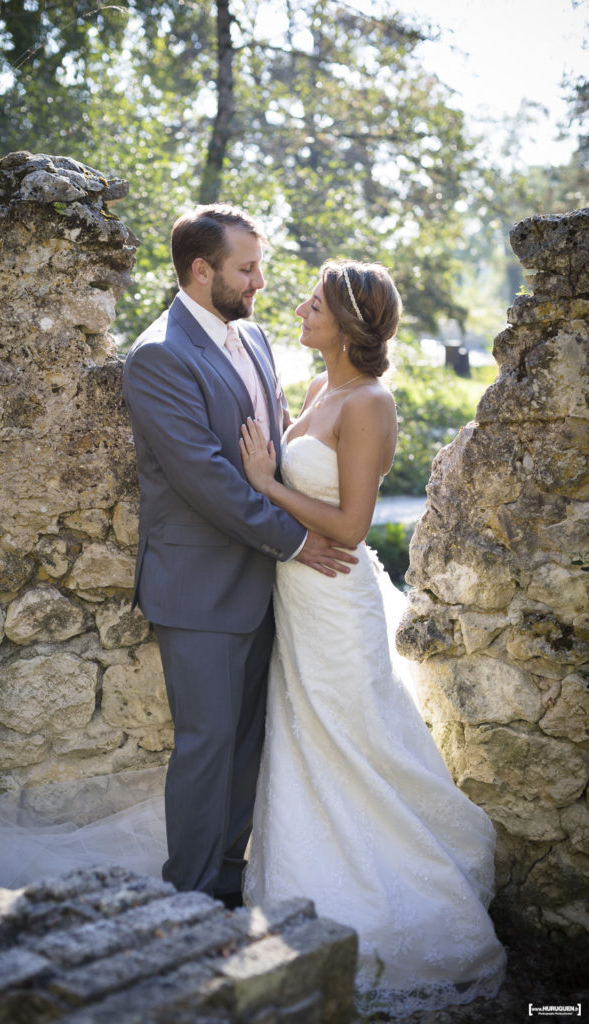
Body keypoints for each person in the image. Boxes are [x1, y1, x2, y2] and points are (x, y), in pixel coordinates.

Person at [238, 259, 507, 1015]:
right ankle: (300, 873)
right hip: (297, 593)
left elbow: (353, 526)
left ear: (349, 322)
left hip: (333, 595)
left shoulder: (370, 404)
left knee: (347, 734)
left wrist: (267, 485)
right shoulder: (323, 388)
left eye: (313, 302)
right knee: (303, 733)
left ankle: (390, 893)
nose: (298, 307)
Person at [121, 204, 355, 909]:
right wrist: (295, 539)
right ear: (201, 270)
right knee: (205, 747)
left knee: (248, 743)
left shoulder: (250, 338)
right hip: (199, 591)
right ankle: (185, 897)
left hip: (266, 586)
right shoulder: (158, 355)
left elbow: (273, 449)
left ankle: (225, 877)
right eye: (245, 269)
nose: (259, 283)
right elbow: (206, 481)